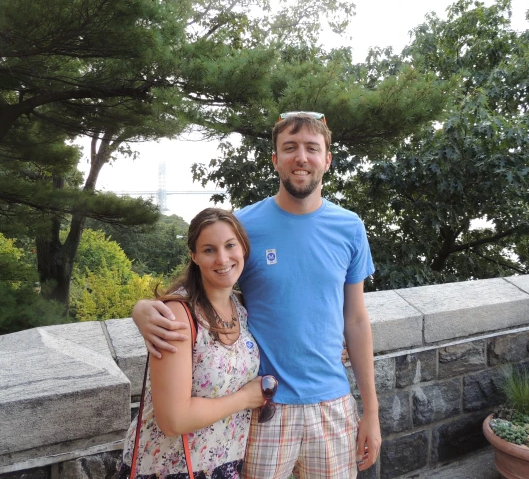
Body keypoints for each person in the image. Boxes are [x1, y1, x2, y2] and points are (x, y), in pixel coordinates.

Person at [133, 112, 381, 478]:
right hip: (263, 405)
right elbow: (206, 283)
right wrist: (142, 309)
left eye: (313, 148)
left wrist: (372, 413)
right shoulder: (245, 225)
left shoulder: (350, 227)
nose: (301, 157)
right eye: (290, 148)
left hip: (333, 404)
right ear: (275, 159)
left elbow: (357, 320)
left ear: (327, 159)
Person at [119, 208, 268, 478]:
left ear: (243, 248)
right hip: (172, 468)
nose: (222, 258)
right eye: (209, 250)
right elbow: (173, 419)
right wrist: (245, 398)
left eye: (230, 245)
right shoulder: (178, 314)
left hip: (224, 466)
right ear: (194, 256)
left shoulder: (242, 307)